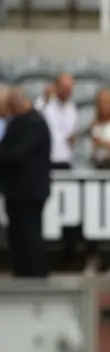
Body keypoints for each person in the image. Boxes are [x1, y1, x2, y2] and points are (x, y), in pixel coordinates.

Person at [0, 87, 51, 277]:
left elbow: (17, 153)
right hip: (19, 191)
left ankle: (35, 275)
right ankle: (23, 273)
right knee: (18, 236)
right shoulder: (24, 121)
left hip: (28, 192)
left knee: (28, 236)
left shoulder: (31, 123)